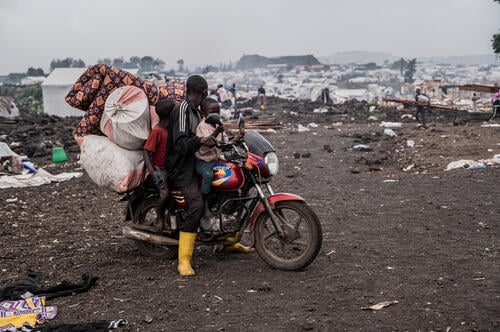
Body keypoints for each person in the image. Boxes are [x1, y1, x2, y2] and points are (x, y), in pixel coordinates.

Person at [166, 75, 216, 276]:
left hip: (195, 162)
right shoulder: (183, 109)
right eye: (206, 92)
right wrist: (201, 140)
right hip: (181, 167)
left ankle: (228, 241)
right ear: (203, 92)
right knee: (195, 206)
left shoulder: (196, 110)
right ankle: (184, 261)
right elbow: (180, 144)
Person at [143, 98, 175, 231]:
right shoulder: (157, 131)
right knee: (165, 194)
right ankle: (160, 217)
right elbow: (146, 152)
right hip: (158, 170)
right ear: (171, 115)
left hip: (168, 169)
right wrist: (152, 172)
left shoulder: (170, 130)